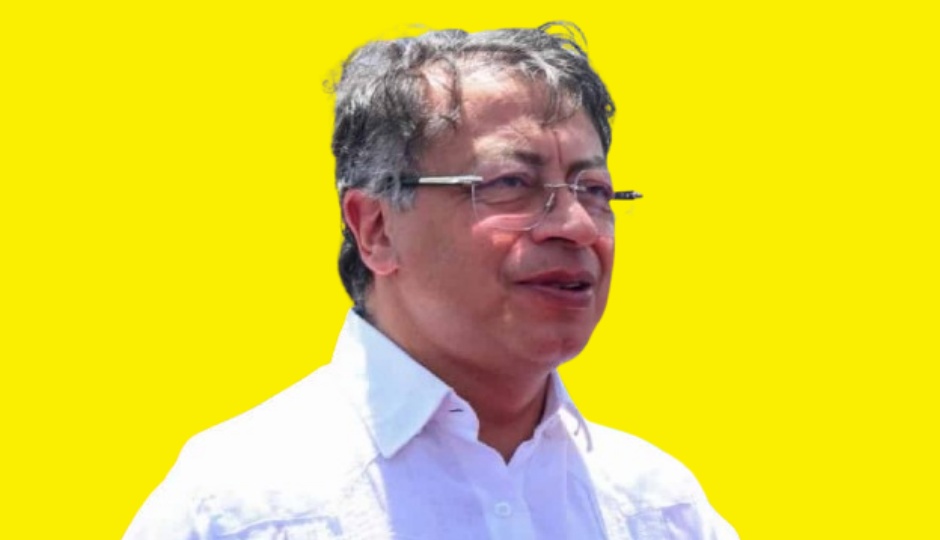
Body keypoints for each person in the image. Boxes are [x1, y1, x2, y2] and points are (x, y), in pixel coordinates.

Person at [124, 22, 737, 539]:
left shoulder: (658, 509)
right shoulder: (244, 508)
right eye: (510, 184)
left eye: (594, 190)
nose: (576, 226)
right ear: (376, 228)